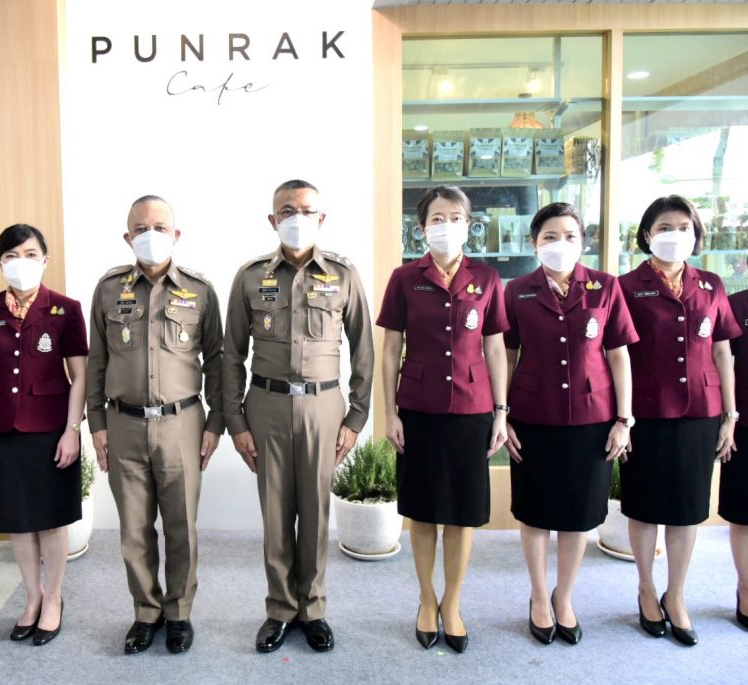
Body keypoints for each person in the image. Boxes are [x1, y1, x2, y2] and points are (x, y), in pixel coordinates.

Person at [224, 179, 374, 654]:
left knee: (314, 512)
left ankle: (313, 609)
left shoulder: (343, 275)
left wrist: (356, 418)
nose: (297, 218)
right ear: (273, 220)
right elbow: (231, 354)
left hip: (322, 407)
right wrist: (235, 421)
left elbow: (363, 349)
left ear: (321, 219)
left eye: (307, 210)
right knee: (275, 514)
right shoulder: (250, 277)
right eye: (287, 210)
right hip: (266, 405)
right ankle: (280, 609)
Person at [86, 195, 223, 655]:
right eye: (141, 228)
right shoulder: (108, 290)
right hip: (123, 424)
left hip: (182, 423)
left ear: (176, 235)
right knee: (134, 529)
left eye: (160, 227)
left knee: (182, 526)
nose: (151, 235)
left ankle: (179, 612)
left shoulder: (200, 291)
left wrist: (217, 422)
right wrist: (96, 423)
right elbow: (97, 361)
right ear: (127, 237)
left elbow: (218, 360)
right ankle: (146, 612)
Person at [377, 185, 508, 654]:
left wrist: (501, 412)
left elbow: (495, 348)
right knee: (423, 510)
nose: (445, 226)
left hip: (472, 410)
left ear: (468, 225)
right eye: (437, 218)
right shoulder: (404, 278)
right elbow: (390, 348)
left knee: (462, 514)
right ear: (421, 228)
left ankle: (452, 603)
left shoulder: (487, 278)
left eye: (455, 218)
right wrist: (388, 412)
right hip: (418, 408)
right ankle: (426, 599)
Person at [503, 202, 638, 645]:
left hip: (592, 418)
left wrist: (624, 420)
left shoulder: (606, 287)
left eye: (569, 237)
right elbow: (505, 355)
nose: (559, 244)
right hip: (532, 416)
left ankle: (564, 596)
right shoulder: (516, 291)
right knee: (535, 511)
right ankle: (539, 596)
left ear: (583, 243)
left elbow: (618, 355)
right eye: (549, 236)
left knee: (579, 516)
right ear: (534, 243)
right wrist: (502, 414)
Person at [618, 195, 740, 647]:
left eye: (684, 227)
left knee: (687, 509)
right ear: (647, 234)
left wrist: (730, 415)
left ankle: (677, 594)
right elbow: (616, 356)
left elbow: (723, 352)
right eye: (664, 227)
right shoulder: (626, 286)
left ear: (696, 233)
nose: (675, 235)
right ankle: (646, 589)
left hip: (700, 411)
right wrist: (621, 418)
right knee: (644, 503)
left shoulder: (711, 284)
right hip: (646, 412)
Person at [0, 224, 88, 646]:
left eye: (30, 254)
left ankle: (53, 598)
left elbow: (80, 375)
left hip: (51, 430)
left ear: (45, 260)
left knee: (51, 520)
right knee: (17, 521)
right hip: (0, 429)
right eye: (11, 256)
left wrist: (72, 431)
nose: (21, 263)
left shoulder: (66, 310)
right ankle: (32, 598)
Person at [719, 288, 748, 631]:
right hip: (744, 425)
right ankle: (745, 589)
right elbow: (722, 359)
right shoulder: (738, 304)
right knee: (743, 514)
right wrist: (729, 417)